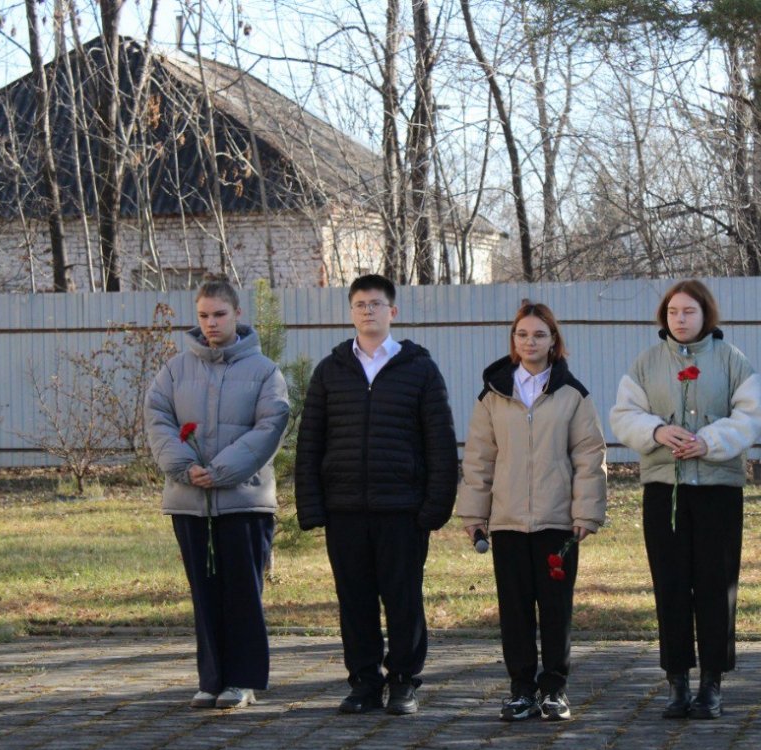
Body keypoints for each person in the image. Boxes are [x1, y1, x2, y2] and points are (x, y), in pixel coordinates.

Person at [294, 273, 458, 716]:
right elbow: (310, 440)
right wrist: (311, 505)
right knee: (355, 600)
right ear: (351, 312)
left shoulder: (419, 369)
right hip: (345, 508)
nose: (368, 311)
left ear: (393, 312)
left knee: (403, 598)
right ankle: (364, 682)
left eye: (377, 304)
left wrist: (435, 507)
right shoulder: (331, 371)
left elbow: (440, 442)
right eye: (361, 304)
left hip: (402, 510)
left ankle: (404, 681)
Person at [610, 280, 761, 720]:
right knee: (672, 585)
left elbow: (751, 415)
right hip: (665, 490)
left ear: (706, 315)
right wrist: (658, 432)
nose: (680, 319)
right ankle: (677, 680)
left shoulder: (733, 360)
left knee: (717, 586)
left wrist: (710, 441)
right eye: (673, 311)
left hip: (719, 490)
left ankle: (712, 683)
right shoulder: (645, 364)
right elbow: (624, 415)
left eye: (689, 311)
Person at [457, 302, 608, 723]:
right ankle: (521, 689)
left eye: (539, 335)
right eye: (523, 334)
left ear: (554, 341)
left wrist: (586, 513)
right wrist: (474, 514)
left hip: (557, 523)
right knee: (515, 609)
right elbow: (479, 458)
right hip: (506, 523)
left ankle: (554, 689)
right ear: (514, 340)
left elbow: (588, 455)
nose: (530, 342)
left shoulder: (572, 395)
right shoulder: (493, 395)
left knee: (556, 609)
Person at [145, 280, 290, 710]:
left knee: (242, 592)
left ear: (237, 314)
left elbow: (270, 426)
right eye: (204, 315)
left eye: (220, 314)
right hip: (190, 502)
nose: (211, 323)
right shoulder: (174, 371)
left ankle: (243, 680)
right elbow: (157, 419)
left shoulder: (265, 371)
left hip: (244, 501)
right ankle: (211, 679)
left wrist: (221, 470)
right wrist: (184, 467)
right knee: (204, 594)